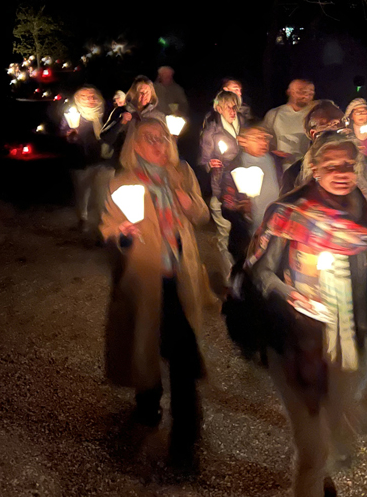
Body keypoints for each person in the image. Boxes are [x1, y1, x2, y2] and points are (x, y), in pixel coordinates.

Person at [245, 132, 367, 497]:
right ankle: (311, 480)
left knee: (332, 423)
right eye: (331, 165)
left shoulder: (362, 215)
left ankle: (319, 475)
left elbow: (365, 284)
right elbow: (258, 271)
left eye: (348, 165)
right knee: (312, 442)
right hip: (294, 340)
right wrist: (294, 295)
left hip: (342, 338)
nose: (341, 172)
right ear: (314, 168)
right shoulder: (288, 211)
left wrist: (366, 331)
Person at [99, 117, 211, 465]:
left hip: (180, 278)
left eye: (163, 138)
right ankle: (151, 405)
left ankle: (184, 437)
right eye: (150, 139)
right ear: (134, 144)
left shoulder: (181, 173)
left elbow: (203, 215)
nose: (159, 145)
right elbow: (108, 230)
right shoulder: (122, 181)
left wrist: (189, 204)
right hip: (146, 278)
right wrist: (124, 233)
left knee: (178, 353)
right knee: (150, 341)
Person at [282, 99, 367, 388]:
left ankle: (365, 371)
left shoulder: (363, 165)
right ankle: (324, 376)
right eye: (325, 126)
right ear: (310, 134)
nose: (335, 131)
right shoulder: (295, 173)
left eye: (339, 124)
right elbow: (284, 227)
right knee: (319, 321)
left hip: (360, 259)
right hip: (314, 264)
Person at [221, 123, 285, 266]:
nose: (263, 142)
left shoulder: (275, 161)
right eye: (257, 138)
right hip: (248, 237)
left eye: (266, 138)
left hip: (274, 232)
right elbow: (226, 206)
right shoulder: (234, 168)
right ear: (242, 141)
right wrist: (239, 209)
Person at [199, 89, 245, 286]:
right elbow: (203, 159)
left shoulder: (244, 125)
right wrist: (211, 164)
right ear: (218, 109)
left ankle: (243, 273)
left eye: (234, 107)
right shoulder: (211, 131)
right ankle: (229, 277)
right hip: (222, 187)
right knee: (224, 231)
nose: (232, 111)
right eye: (227, 107)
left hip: (243, 186)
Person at [61, 86, 119, 239]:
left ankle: (102, 226)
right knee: (82, 193)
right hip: (82, 162)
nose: (90, 99)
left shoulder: (105, 114)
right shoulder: (72, 116)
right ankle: (83, 219)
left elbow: (116, 131)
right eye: (85, 96)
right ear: (78, 99)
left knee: (103, 195)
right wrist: (71, 137)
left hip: (104, 161)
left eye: (93, 96)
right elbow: (64, 135)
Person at [263, 79, 315, 167]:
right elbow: (265, 138)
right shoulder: (274, 114)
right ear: (289, 92)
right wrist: (272, 152)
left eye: (310, 93)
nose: (306, 95)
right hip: (281, 167)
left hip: (308, 167)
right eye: (301, 91)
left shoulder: (316, 114)